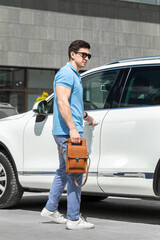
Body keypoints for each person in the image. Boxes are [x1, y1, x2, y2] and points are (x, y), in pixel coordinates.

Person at [41, 40, 95, 230]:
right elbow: (62, 102)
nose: (86, 58)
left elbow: (72, 105)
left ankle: (50, 208)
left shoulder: (74, 75)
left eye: (88, 55)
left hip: (67, 130)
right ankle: (73, 219)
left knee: (64, 171)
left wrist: (86, 117)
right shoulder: (66, 73)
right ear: (72, 54)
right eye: (83, 54)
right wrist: (73, 128)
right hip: (67, 132)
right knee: (76, 173)